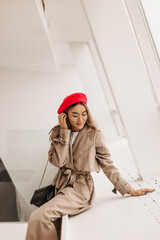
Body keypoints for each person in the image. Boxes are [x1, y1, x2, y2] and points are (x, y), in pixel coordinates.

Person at [25, 92, 154, 240]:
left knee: (38, 217)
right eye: (75, 115)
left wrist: (128, 189)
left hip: (80, 188)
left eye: (84, 114)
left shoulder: (94, 134)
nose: (81, 119)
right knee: (48, 221)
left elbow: (108, 164)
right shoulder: (58, 134)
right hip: (60, 184)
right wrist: (64, 132)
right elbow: (58, 162)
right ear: (65, 116)